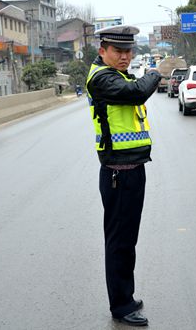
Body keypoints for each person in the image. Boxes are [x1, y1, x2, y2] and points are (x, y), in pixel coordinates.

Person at [85, 25, 160, 327]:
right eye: (118, 51)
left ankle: (125, 296)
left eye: (128, 51)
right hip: (119, 174)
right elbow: (137, 92)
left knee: (127, 239)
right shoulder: (102, 79)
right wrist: (156, 73)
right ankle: (121, 304)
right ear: (102, 50)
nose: (124, 56)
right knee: (120, 242)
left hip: (131, 170)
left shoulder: (117, 75)